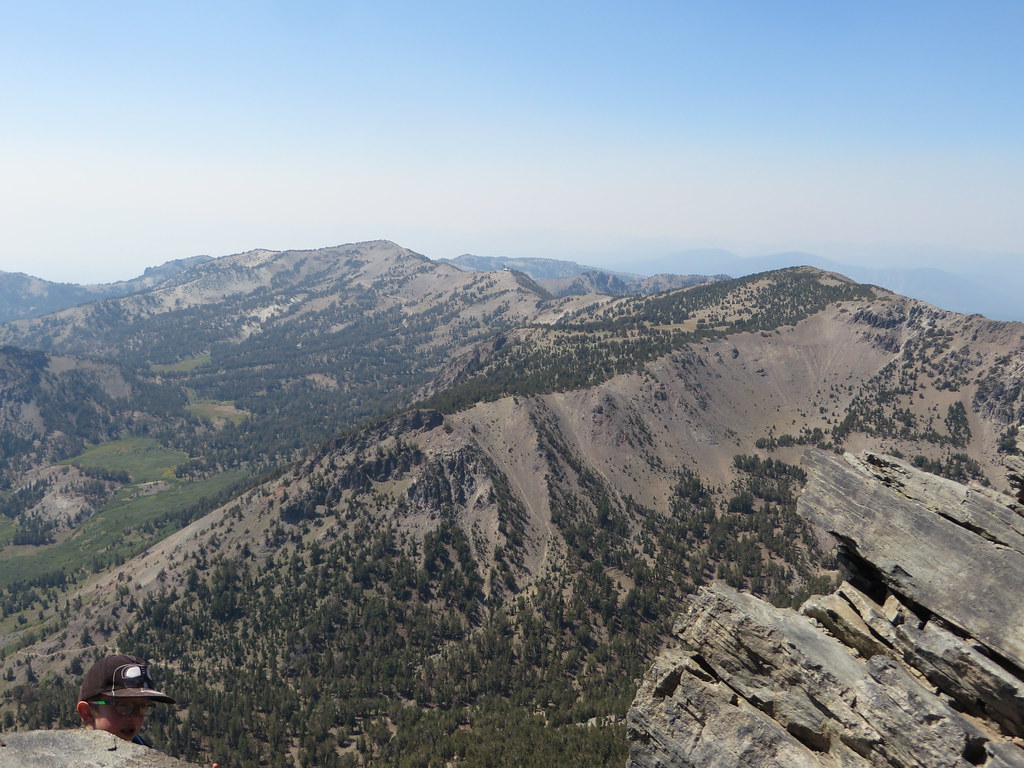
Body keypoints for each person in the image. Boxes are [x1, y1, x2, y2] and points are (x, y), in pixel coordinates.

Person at [76, 654, 175, 747]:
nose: (136, 717)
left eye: (143, 706)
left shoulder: (150, 755)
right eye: (123, 706)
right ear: (87, 712)